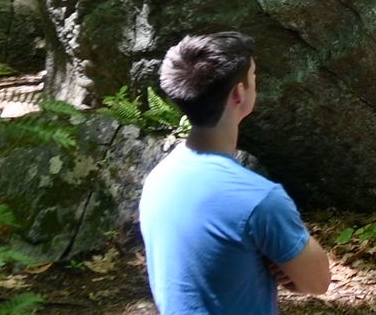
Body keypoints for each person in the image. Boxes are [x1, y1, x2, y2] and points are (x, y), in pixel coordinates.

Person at [139, 32, 330, 313]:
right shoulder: (259, 200)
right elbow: (318, 281)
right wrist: (283, 262)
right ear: (239, 93)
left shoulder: (158, 179)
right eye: (253, 76)